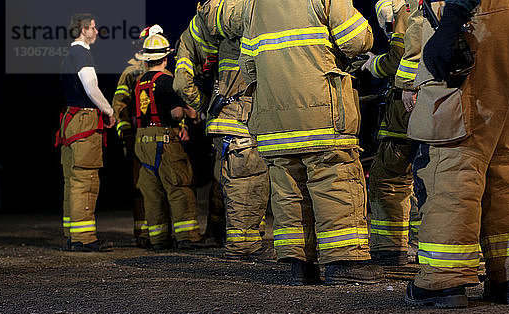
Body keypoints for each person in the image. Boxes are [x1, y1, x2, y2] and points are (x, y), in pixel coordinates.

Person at [405, 0, 509, 307]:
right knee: (505, 163)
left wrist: (452, 21)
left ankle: (444, 279)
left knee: (453, 159)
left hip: (471, 27)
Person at [239, 0, 383, 284]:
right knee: (334, 180)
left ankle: (299, 266)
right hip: (321, 111)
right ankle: (345, 263)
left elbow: (248, 68)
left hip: (273, 118)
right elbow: (356, 41)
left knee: (288, 190)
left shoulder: (253, 5)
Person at [174, 0, 271, 260]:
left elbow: (182, 83)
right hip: (247, 118)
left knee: (235, 183)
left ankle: (246, 239)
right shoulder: (255, 11)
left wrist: (205, 106)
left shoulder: (200, 25)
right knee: (247, 182)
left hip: (223, 120)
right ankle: (244, 246)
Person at [362, 0, 424, 271]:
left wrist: (373, 65)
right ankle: (437, 250)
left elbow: (399, 58)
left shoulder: (404, 9)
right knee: (431, 177)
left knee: (389, 178)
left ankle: (390, 249)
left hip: (407, 110)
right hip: (440, 108)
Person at [133, 33, 204, 251]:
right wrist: (190, 113)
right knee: (178, 185)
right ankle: (187, 237)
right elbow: (174, 114)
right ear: (166, 58)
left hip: (141, 140)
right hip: (163, 139)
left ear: (146, 60)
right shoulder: (166, 81)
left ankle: (158, 239)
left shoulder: (139, 82)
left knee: (152, 192)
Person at [58, 13, 115, 252]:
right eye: (93, 27)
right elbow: (91, 88)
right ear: (83, 30)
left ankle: (73, 233)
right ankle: (84, 238)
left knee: (72, 179)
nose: (96, 31)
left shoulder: (68, 55)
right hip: (84, 120)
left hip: (70, 121)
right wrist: (109, 110)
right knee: (86, 178)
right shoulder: (82, 53)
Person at [112, 24, 164, 249]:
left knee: (165, 184)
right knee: (141, 186)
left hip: (164, 135)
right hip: (138, 135)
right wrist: (125, 132)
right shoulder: (132, 72)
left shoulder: (162, 70)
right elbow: (120, 105)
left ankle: (162, 232)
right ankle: (143, 233)